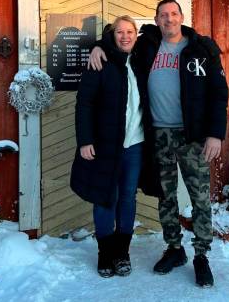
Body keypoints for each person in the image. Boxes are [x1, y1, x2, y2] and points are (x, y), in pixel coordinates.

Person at [88, 0, 228, 287]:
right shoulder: (147, 45)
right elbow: (118, 38)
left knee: (199, 196)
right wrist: (98, 46)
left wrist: (216, 133)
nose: (168, 19)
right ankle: (175, 249)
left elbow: (219, 92)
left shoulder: (201, 49)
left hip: (192, 137)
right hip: (158, 135)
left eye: (173, 14)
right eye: (163, 15)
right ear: (156, 19)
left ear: (181, 17)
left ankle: (202, 256)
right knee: (166, 196)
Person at [71, 15, 150, 278]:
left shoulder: (141, 61)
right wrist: (85, 141)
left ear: (136, 35)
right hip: (105, 145)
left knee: (127, 197)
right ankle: (105, 253)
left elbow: (161, 34)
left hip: (135, 145)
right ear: (111, 35)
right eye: (119, 32)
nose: (125, 36)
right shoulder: (100, 62)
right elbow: (85, 104)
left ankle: (122, 253)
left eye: (130, 31)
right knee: (106, 197)